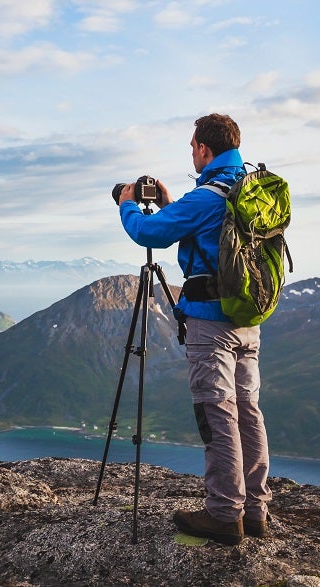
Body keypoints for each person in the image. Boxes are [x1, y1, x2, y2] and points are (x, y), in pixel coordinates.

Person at [115, 113, 270, 546]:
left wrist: (129, 202)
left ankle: (223, 514)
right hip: (247, 320)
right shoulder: (250, 188)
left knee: (216, 412)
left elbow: (148, 233)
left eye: (192, 146)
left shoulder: (207, 196)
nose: (191, 153)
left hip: (210, 321)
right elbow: (208, 235)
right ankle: (254, 511)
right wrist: (172, 204)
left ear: (204, 148)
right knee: (247, 412)